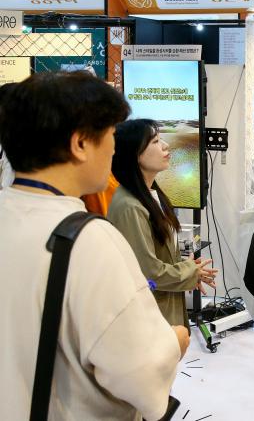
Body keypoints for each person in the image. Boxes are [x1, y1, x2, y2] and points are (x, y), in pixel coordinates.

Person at [0, 71, 189, 420]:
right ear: (80, 144)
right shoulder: (88, 241)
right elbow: (141, 374)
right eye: (111, 134)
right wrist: (176, 340)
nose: (115, 147)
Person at [108, 119, 217, 328]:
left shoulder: (151, 195)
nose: (166, 146)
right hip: (149, 317)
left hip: (163, 310)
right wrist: (189, 272)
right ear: (135, 154)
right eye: (156, 141)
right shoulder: (130, 206)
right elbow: (149, 272)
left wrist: (190, 272)